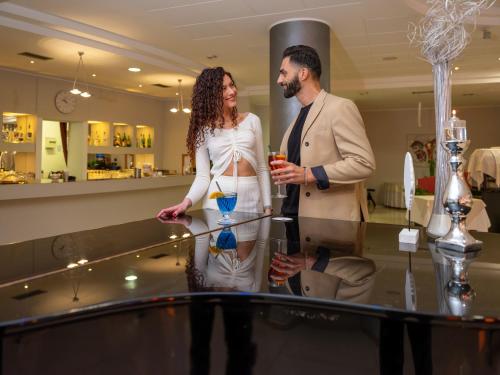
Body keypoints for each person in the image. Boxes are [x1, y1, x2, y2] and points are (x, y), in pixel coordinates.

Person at [271, 45, 376, 221]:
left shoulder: (341, 107)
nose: (279, 80)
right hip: (293, 218)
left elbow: (363, 163)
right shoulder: (297, 119)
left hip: (329, 224)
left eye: (284, 73)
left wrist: (309, 174)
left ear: (303, 73)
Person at [157, 67, 272, 219]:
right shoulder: (203, 130)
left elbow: (262, 168)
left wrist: (268, 206)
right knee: (220, 242)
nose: (232, 91)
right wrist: (185, 203)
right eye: (224, 88)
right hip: (218, 202)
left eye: (232, 85)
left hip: (252, 199)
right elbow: (203, 177)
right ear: (211, 96)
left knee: (255, 242)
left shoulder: (252, 120)